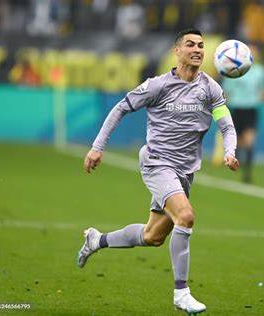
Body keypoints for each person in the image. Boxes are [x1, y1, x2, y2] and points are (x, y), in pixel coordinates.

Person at [77, 28, 239, 315]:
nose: (197, 49)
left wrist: (229, 151)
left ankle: (97, 240)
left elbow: (225, 124)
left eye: (201, 45)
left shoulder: (210, 88)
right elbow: (120, 108)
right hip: (157, 162)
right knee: (186, 217)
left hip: (185, 172)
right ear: (177, 51)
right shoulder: (157, 86)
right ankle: (182, 293)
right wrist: (97, 147)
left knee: (152, 236)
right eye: (190, 44)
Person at [219, 43, 264, 183]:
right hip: (236, 108)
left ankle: (247, 173)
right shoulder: (233, 71)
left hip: (250, 109)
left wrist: (260, 96)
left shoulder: (260, 71)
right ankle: (238, 161)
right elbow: (226, 92)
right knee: (239, 141)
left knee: (249, 140)